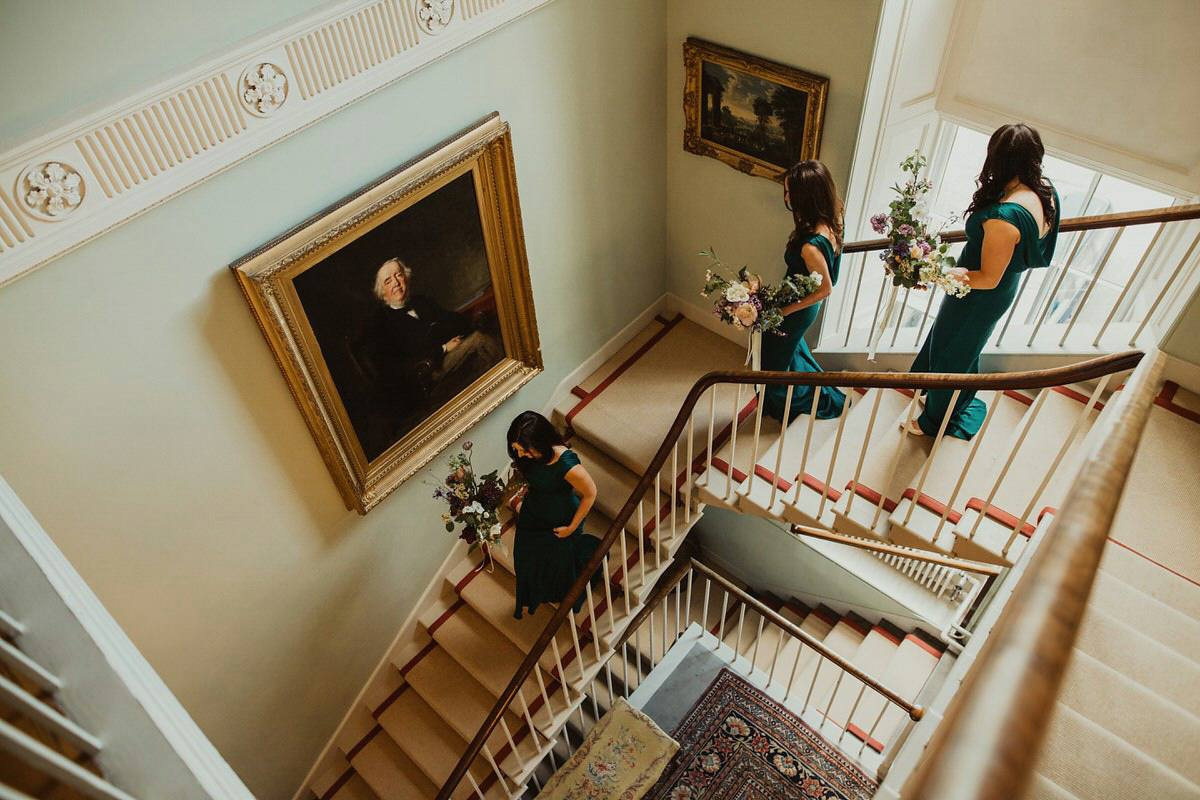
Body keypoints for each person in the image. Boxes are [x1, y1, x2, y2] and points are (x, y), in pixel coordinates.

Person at [909, 123, 1060, 439]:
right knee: (962, 348)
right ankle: (946, 397)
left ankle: (934, 421)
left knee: (953, 354)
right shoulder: (1045, 191)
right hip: (995, 288)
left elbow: (988, 278)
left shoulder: (1003, 219)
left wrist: (933, 272)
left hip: (978, 294)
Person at [364, 258, 503, 420]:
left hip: (444, 354)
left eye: (398, 275)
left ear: (405, 276)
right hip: (424, 371)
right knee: (481, 340)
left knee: (483, 335)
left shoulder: (422, 301)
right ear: (381, 291)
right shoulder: (380, 324)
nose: (396, 283)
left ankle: (488, 402)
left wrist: (464, 324)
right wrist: (443, 348)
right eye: (388, 281)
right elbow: (394, 368)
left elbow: (451, 320)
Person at [761, 160, 846, 422]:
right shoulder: (834, 216)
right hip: (799, 300)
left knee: (772, 361)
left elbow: (825, 289)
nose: (787, 198)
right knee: (790, 351)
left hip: (799, 307)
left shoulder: (811, 246)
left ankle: (782, 403)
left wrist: (783, 311)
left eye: (791, 193)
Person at [507, 411, 601, 620]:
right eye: (517, 449)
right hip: (533, 512)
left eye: (524, 450)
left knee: (558, 561)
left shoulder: (567, 464)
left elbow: (590, 493)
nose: (520, 455)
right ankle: (538, 590)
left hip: (562, 517)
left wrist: (571, 528)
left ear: (541, 441)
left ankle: (560, 590)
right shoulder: (527, 456)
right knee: (525, 556)